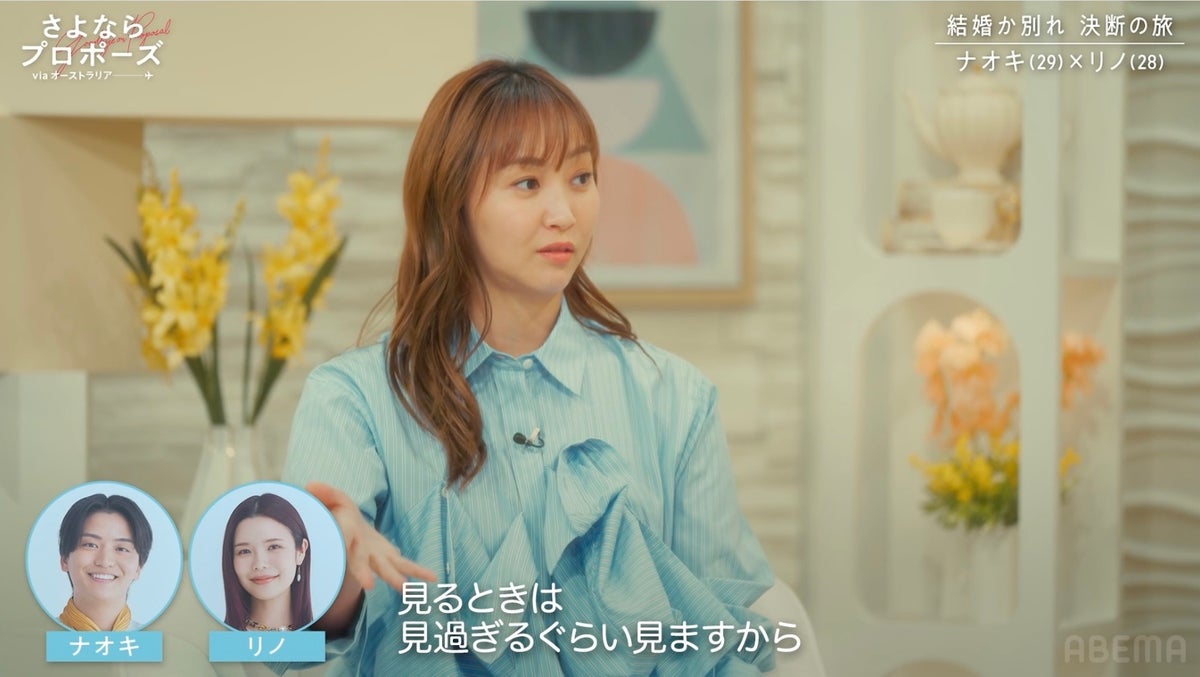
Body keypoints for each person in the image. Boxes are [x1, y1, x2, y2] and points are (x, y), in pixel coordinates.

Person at [282, 59, 775, 675]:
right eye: (527, 183)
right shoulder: (352, 398)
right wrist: (330, 575)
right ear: (452, 202)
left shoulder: (675, 396)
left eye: (581, 177)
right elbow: (286, 642)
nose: (564, 212)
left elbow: (724, 626)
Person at [57, 493, 153, 632]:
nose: (105, 561)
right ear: (65, 559)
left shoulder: (157, 641)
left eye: (121, 549)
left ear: (138, 567)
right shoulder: (38, 639)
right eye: (90, 545)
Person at [221, 493, 313, 631]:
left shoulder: (327, 638)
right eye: (244, 551)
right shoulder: (217, 638)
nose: (259, 564)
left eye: (274, 547)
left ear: (301, 551)